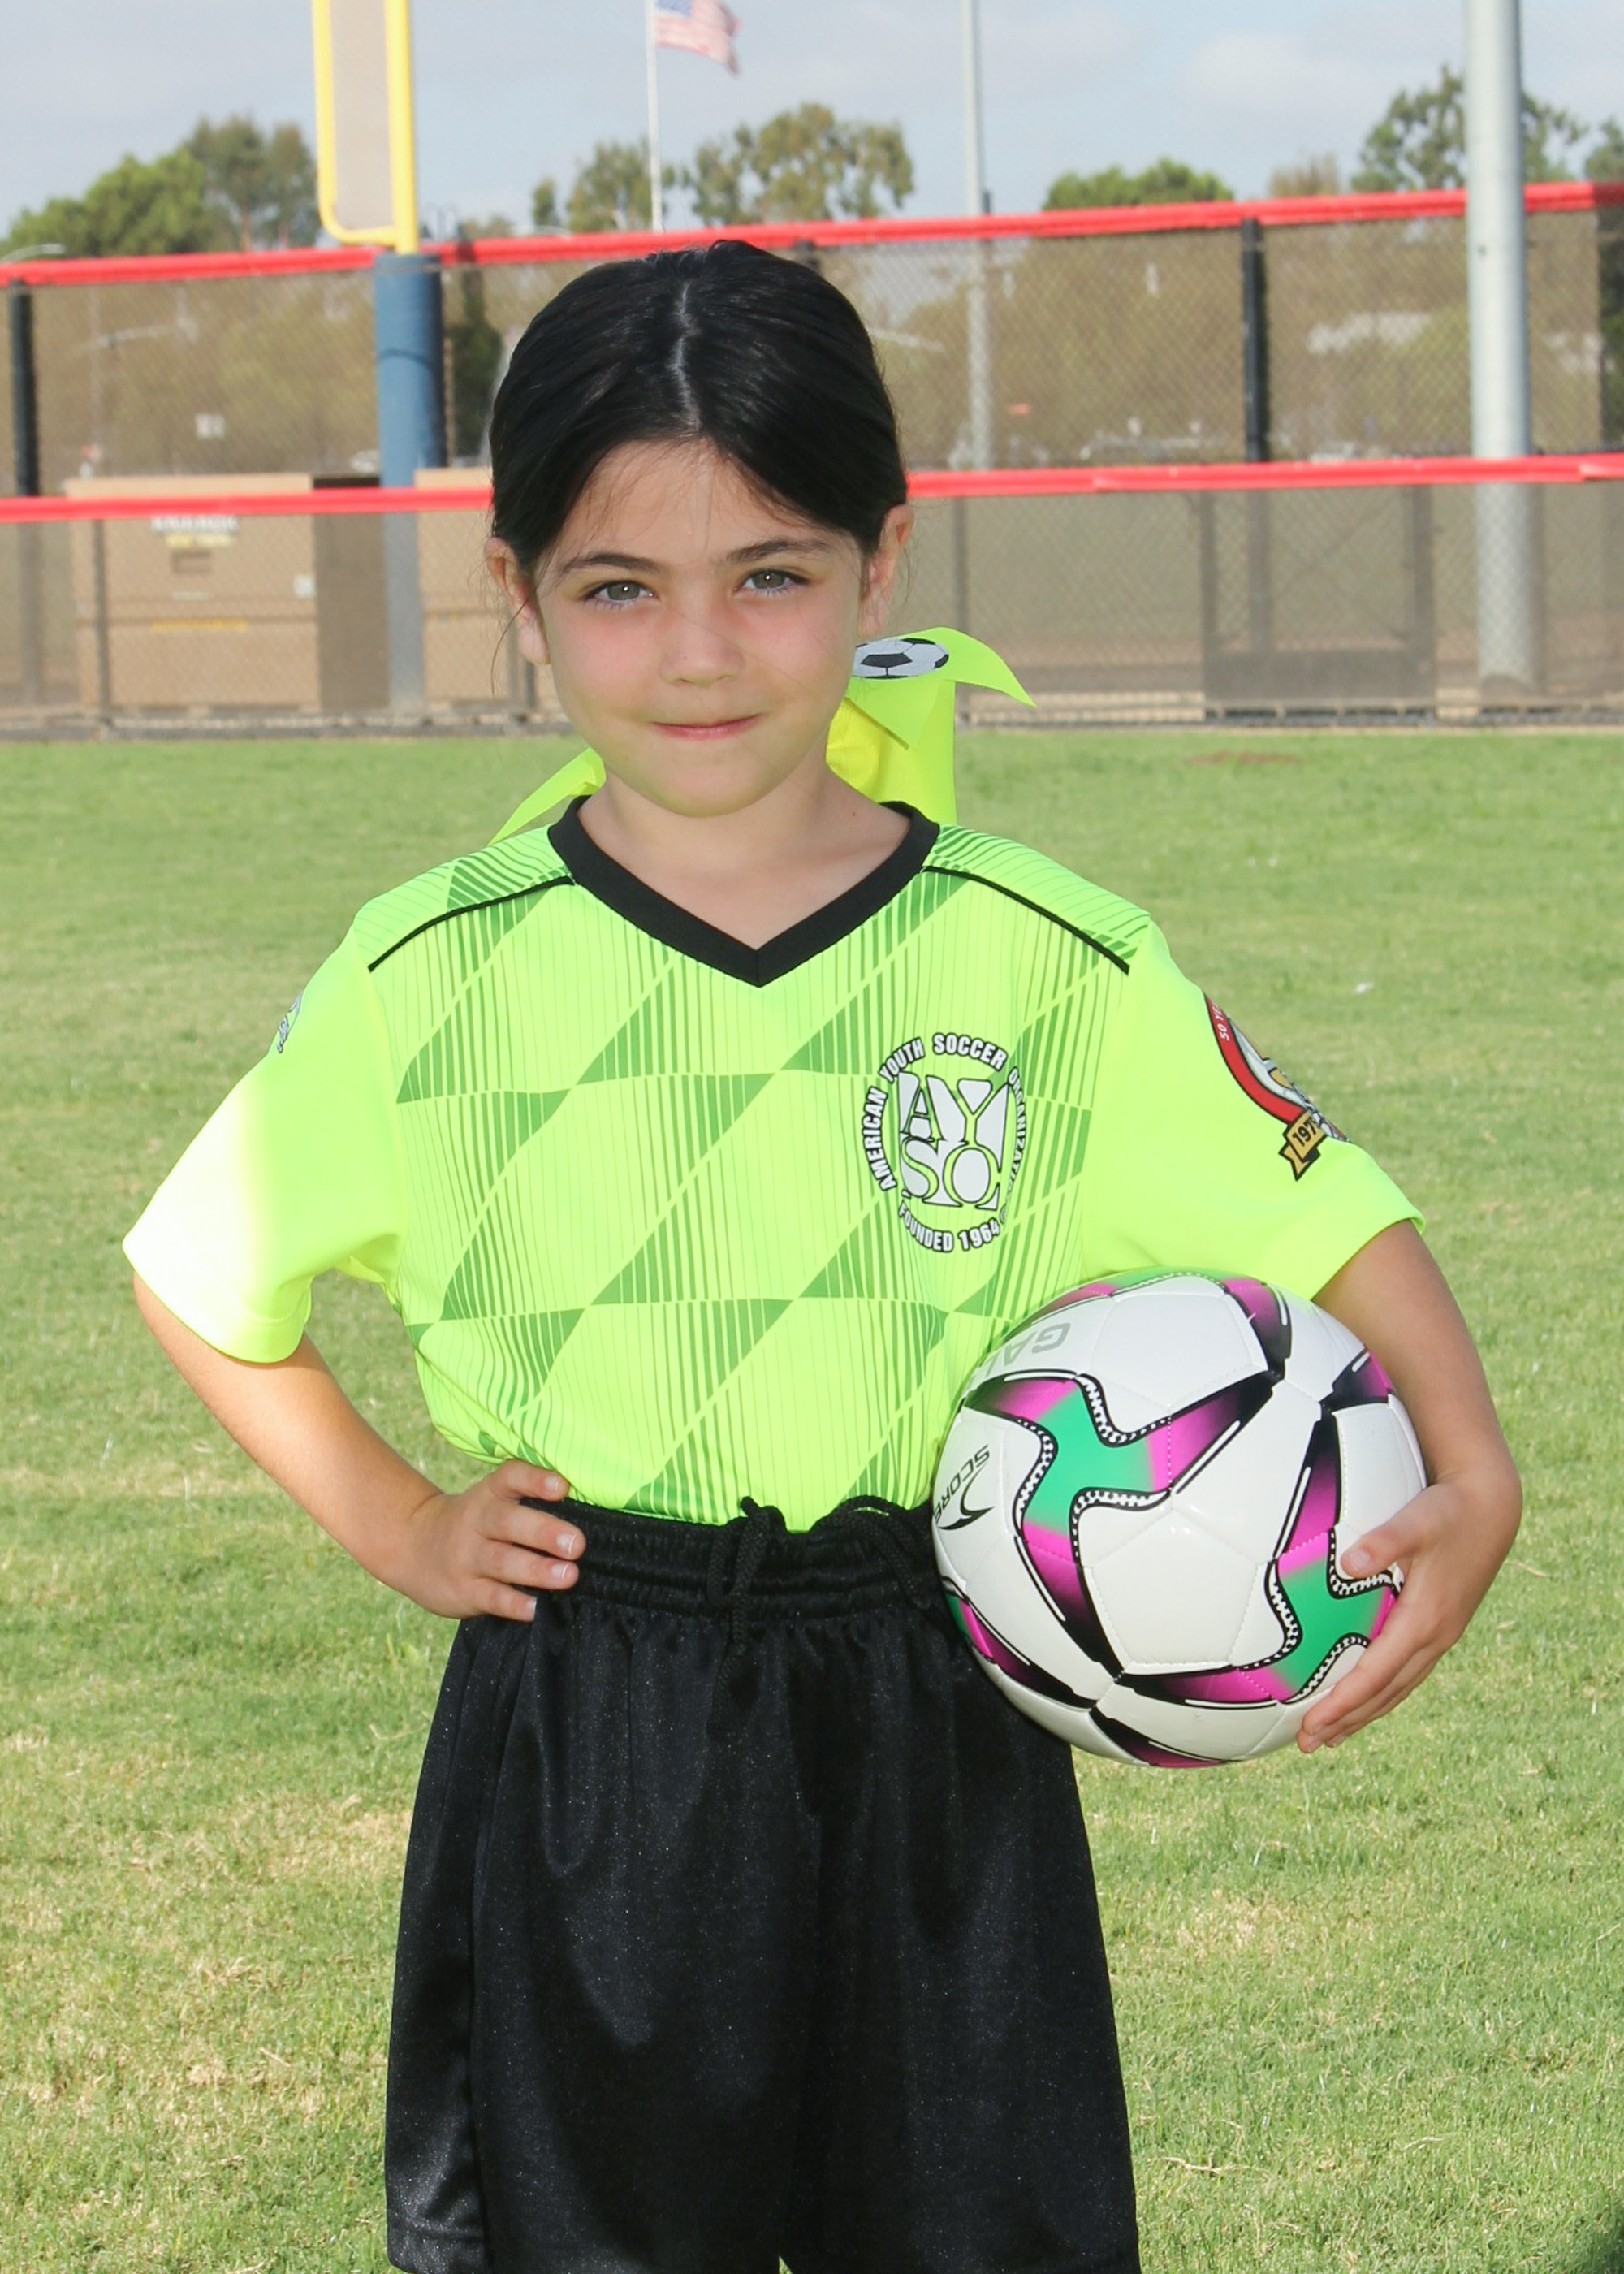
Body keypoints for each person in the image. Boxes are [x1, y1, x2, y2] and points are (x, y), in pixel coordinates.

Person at [125, 241, 1520, 2274]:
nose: (699, 652)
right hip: (595, 1707)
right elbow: (202, 1273)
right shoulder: (429, 973)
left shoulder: (1045, 956)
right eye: (620, 587)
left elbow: (1319, 1202)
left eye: (769, 573)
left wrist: (1469, 1460)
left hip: (938, 1691)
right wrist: (402, 1523)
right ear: (519, 593)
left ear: (882, 564)